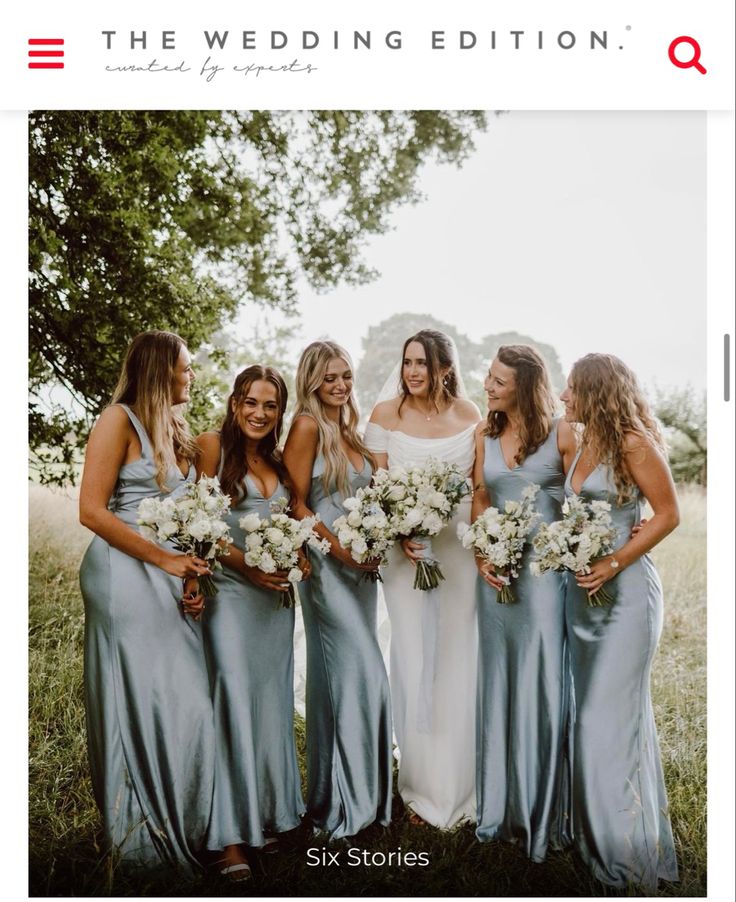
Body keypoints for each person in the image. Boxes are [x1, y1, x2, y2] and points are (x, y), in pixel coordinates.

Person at [78, 330, 215, 871]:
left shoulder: (176, 429)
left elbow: (186, 519)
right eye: (187, 367)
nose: (192, 375)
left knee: (186, 701)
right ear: (161, 370)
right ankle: (136, 833)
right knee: (135, 696)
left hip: (168, 573)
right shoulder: (118, 420)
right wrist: (161, 561)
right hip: (121, 573)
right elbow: (91, 510)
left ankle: (183, 818)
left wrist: (188, 576)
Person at [560, 352, 680, 888]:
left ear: (596, 392)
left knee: (604, 723)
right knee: (590, 718)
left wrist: (613, 561)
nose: (563, 398)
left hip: (626, 598)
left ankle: (623, 859)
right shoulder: (587, 440)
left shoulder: (634, 442)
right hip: (582, 601)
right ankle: (595, 838)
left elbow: (669, 513)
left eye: (571, 390)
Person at [365, 329, 481, 828]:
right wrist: (401, 534)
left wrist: (480, 540)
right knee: (414, 657)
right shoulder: (385, 416)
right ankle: (417, 789)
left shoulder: (470, 415)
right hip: (404, 555)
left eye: (423, 364)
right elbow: (376, 492)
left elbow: (478, 487)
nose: (413, 372)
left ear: (445, 369)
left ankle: (459, 787)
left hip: (456, 552)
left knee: (456, 658)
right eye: (408, 361)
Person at [195, 365, 305, 881]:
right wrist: (248, 566)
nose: (260, 413)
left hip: (274, 605)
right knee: (232, 703)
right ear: (235, 403)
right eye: (251, 402)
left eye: (271, 405)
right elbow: (199, 525)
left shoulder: (280, 463)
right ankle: (229, 838)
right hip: (232, 598)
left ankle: (268, 816)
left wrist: (297, 556)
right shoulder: (211, 448)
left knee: (268, 706)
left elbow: (290, 521)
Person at [283, 341, 393, 840]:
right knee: (361, 674)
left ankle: (344, 798)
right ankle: (348, 806)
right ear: (311, 380)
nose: (340, 385)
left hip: (362, 569)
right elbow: (295, 503)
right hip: (328, 567)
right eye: (329, 377)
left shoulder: (350, 430)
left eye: (345, 375)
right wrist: (340, 549)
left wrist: (379, 535)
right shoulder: (307, 427)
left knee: (341, 683)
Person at [471, 345, 577, 860]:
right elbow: (480, 497)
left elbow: (589, 496)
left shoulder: (562, 434)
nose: (488, 386)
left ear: (525, 386)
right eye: (488, 377)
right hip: (493, 579)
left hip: (542, 580)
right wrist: (480, 554)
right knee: (498, 682)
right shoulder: (484, 433)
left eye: (498, 380)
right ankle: (500, 808)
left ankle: (541, 811)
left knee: (539, 683)